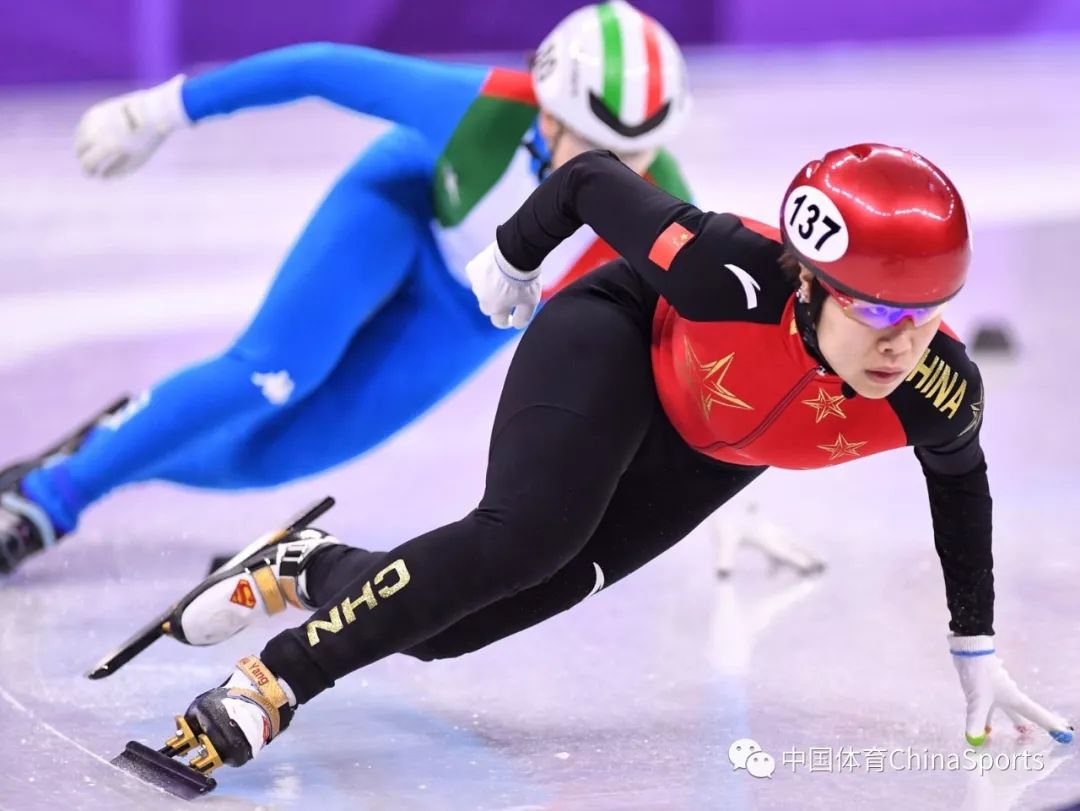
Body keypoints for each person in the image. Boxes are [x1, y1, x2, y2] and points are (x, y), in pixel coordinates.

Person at [156, 143, 1071, 775]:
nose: (899, 345)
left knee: (448, 626)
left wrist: (975, 642)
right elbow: (590, 177)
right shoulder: (726, 268)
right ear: (809, 279)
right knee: (525, 537)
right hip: (620, 338)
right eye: (873, 312)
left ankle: (298, 565)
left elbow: (961, 484)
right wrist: (514, 261)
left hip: (710, 450)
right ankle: (269, 684)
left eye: (921, 316)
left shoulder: (939, 384)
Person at [0, 2, 696, 575]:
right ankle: (46, 500)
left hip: (468, 312)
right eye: (593, 146)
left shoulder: (662, 203)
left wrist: (729, 479)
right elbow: (319, 69)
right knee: (270, 373)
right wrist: (161, 111)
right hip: (399, 211)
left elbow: (701, 345)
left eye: (635, 155)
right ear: (545, 115)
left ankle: (111, 452)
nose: (617, 175)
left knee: (271, 457)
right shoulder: (482, 108)